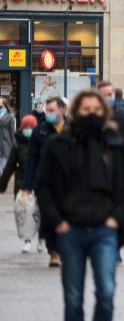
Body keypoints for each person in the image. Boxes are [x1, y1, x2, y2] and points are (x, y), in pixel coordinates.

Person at [35, 90, 124, 321]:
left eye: (96, 109)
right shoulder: (59, 144)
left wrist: (116, 218)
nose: (91, 113)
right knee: (73, 299)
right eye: (86, 109)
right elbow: (45, 186)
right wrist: (58, 222)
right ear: (76, 112)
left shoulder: (114, 145)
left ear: (103, 113)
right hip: (71, 229)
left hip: (104, 228)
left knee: (106, 294)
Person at [27, 96, 67, 267]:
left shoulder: (74, 129)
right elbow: (32, 158)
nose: (48, 113)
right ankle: (53, 252)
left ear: (62, 110)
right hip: (46, 183)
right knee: (49, 217)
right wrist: (28, 185)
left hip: (69, 183)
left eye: (52, 110)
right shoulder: (41, 130)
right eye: (47, 110)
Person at [1, 114, 39, 252]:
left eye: (31, 127)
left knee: (39, 211)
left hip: (39, 182)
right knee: (25, 213)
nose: (28, 129)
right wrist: (3, 183)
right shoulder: (17, 146)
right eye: (26, 127)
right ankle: (27, 241)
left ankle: (41, 239)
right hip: (22, 183)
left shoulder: (41, 143)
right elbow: (9, 166)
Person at [96, 82, 124, 156]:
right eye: (104, 95)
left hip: (118, 159)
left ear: (114, 95)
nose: (107, 97)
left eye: (110, 94)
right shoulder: (92, 114)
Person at [0, 98, 16, 172]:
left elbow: (12, 132)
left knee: (3, 166)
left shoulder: (10, 117)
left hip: (5, 143)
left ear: (3, 104)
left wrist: (14, 145)